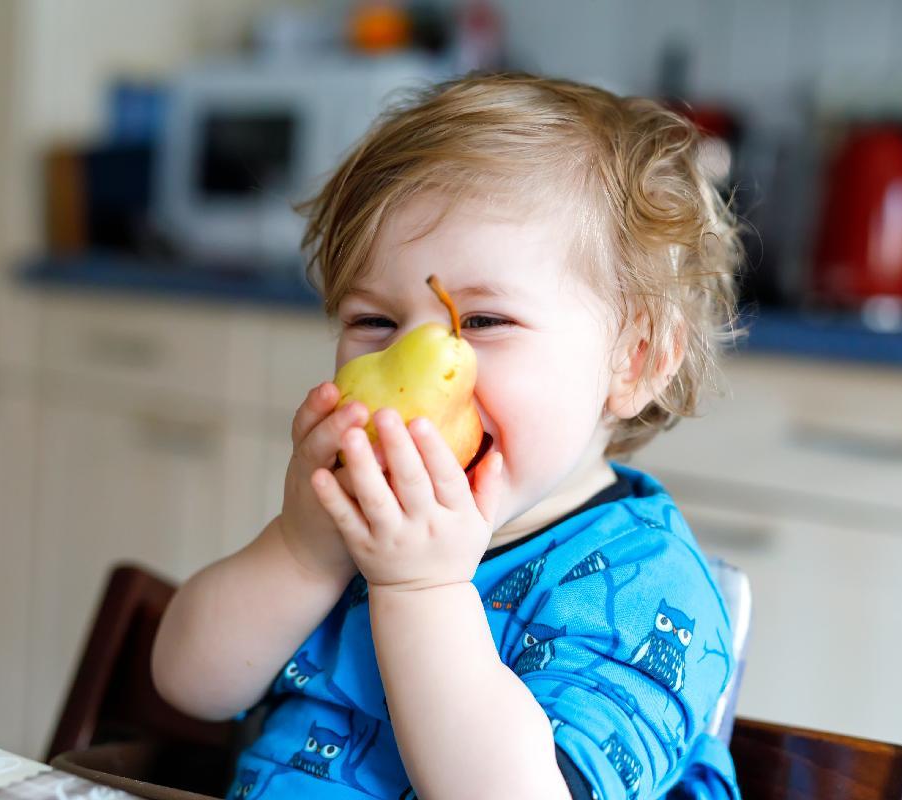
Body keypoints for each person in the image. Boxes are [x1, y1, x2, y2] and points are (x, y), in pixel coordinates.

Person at [151, 71, 745, 800]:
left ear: (638, 361)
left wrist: (422, 589)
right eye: (373, 321)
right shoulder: (357, 524)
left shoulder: (643, 586)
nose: (416, 358)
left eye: (483, 321)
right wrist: (300, 550)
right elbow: (189, 685)